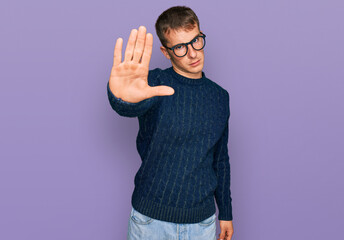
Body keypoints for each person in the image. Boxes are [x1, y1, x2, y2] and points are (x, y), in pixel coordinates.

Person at [107, 6, 234, 240]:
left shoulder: (220, 97)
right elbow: (127, 105)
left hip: (201, 224)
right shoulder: (153, 83)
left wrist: (225, 212)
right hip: (150, 222)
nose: (193, 53)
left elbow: (220, 159)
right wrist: (119, 97)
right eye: (180, 47)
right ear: (166, 52)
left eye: (196, 41)